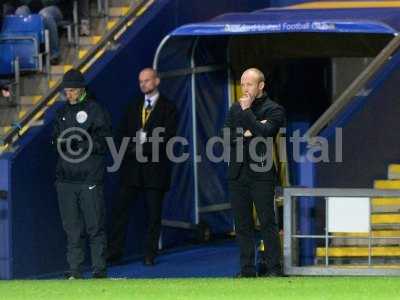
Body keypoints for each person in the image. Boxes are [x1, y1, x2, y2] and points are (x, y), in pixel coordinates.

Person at [108, 68, 177, 266]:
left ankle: (150, 254)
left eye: (147, 80)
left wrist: (139, 147)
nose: (143, 84)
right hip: (132, 170)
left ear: (157, 81)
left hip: (155, 171)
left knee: (153, 214)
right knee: (120, 211)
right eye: (140, 81)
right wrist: (134, 148)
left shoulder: (168, 108)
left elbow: (167, 138)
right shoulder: (132, 106)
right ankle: (114, 252)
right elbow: (121, 135)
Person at [224, 68, 286, 277]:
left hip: (261, 174)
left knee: (267, 222)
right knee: (242, 225)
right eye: (242, 84)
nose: (245, 88)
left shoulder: (274, 109)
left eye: (249, 84)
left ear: (261, 86)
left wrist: (248, 114)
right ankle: (247, 270)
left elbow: (267, 133)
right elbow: (226, 137)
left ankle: (274, 269)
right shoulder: (234, 109)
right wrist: (252, 130)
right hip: (237, 174)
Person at [53, 68, 112, 279]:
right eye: (65, 91)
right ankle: (74, 271)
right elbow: (55, 141)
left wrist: (82, 143)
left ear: (81, 89)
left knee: (94, 226)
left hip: (89, 177)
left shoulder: (96, 110)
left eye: (71, 91)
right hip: (65, 179)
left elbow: (105, 142)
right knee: (72, 229)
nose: (67, 95)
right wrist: (63, 143)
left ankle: (99, 269)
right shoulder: (61, 113)